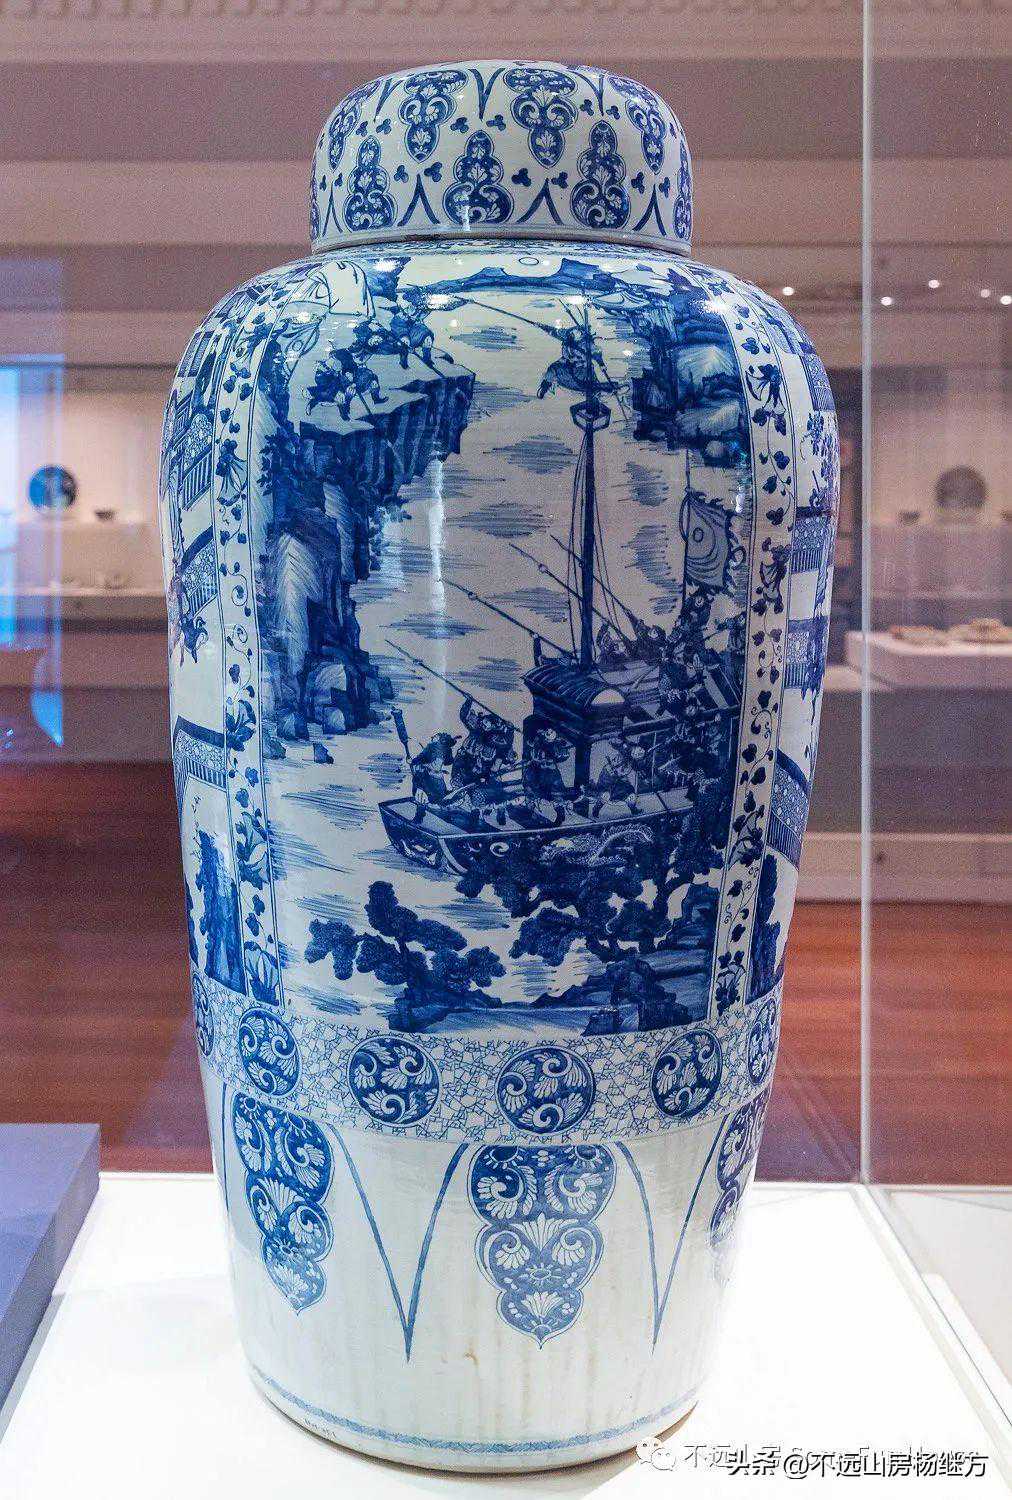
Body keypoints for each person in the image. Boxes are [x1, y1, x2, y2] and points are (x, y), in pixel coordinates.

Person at [451, 697, 516, 797]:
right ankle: (459, 784)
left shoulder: (494, 737)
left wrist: (510, 730)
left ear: (493, 726)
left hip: (479, 763)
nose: (483, 725)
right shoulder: (476, 727)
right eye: (483, 723)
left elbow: (507, 743)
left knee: (477, 775)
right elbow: (464, 716)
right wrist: (468, 702)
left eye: (486, 724)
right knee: (462, 769)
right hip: (464, 757)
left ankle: (476, 792)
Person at [521, 725, 571, 825]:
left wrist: (555, 753)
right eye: (546, 735)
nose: (547, 737)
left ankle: (560, 814)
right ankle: (530, 811)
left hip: (550, 772)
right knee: (530, 789)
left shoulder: (557, 744)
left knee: (556, 794)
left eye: (549, 737)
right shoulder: (539, 739)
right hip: (537, 770)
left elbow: (564, 755)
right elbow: (531, 748)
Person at [592, 735, 649, 818]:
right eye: (639, 750)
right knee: (605, 795)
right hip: (607, 777)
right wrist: (614, 739)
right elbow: (616, 743)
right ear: (637, 747)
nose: (638, 754)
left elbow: (639, 769)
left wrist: (645, 778)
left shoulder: (635, 762)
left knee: (631, 796)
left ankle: (633, 810)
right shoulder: (625, 748)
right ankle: (596, 809)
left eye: (640, 754)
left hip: (620, 781)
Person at [409, 732, 458, 822]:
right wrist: (414, 762)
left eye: (436, 737)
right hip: (428, 776)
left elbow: (448, 761)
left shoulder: (441, 748)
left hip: (436, 777)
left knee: (438, 798)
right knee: (422, 797)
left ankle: (445, 816)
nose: (433, 737)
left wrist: (414, 762)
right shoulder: (433, 747)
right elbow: (420, 759)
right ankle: (419, 817)